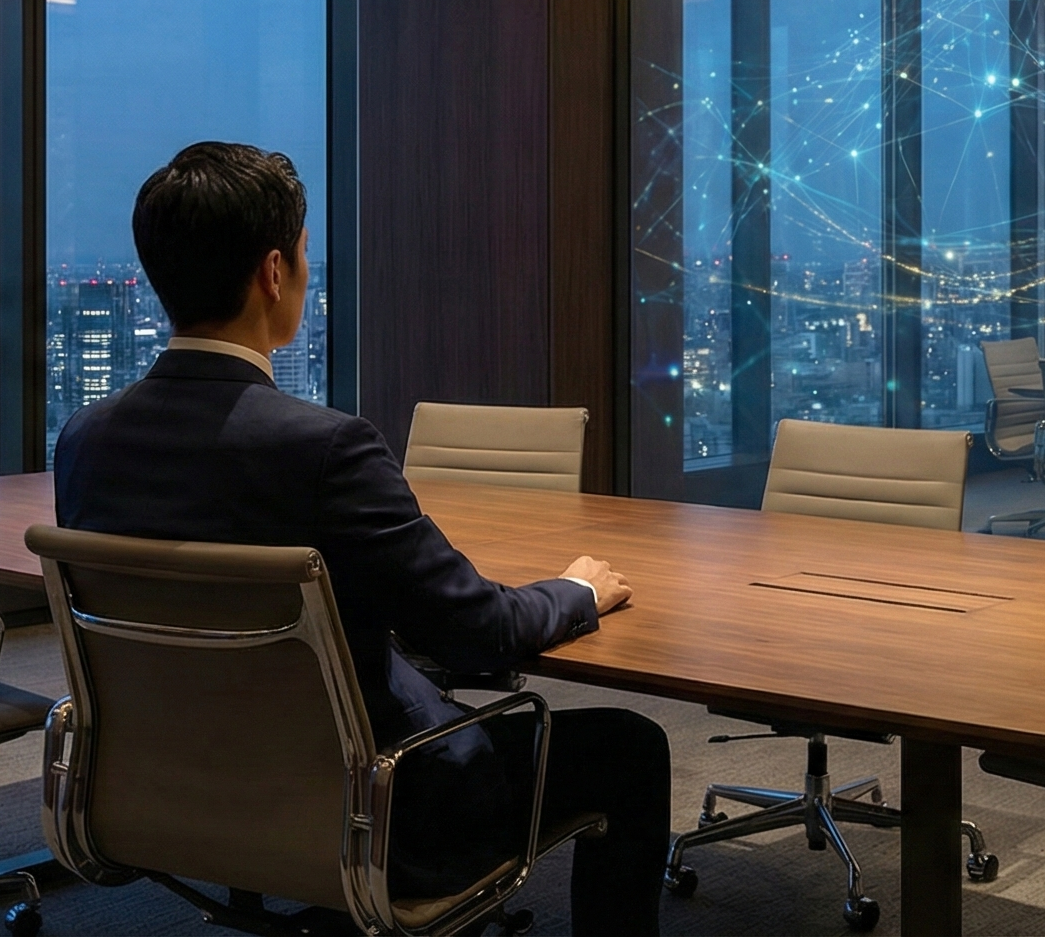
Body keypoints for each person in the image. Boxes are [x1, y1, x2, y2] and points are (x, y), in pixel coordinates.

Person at [53, 141, 670, 934]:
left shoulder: (85, 441)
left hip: (179, 789)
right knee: (628, 745)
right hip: (369, 805)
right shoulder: (324, 447)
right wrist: (577, 589)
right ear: (275, 272)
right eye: (306, 256)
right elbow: (480, 631)